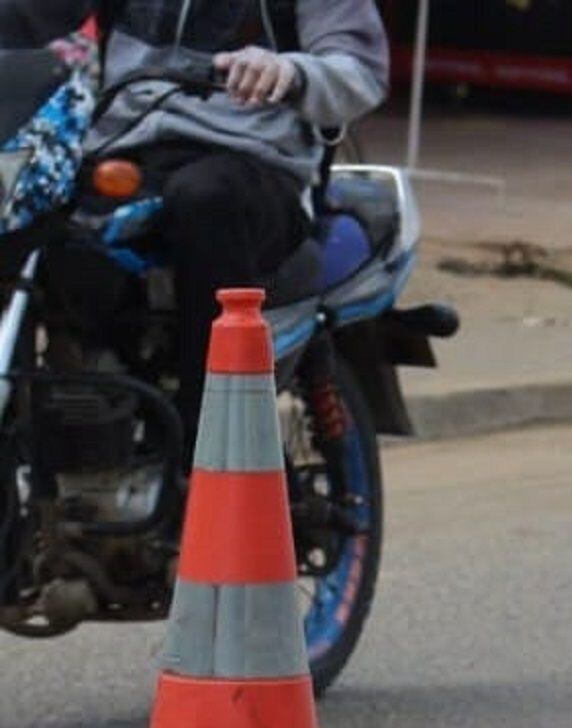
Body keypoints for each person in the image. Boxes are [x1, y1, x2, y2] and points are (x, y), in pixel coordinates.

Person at [0, 0, 388, 435]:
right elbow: (27, 15)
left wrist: (292, 72)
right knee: (30, 200)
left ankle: (207, 436)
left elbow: (361, 72)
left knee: (204, 200)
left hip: (254, 160)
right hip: (127, 146)